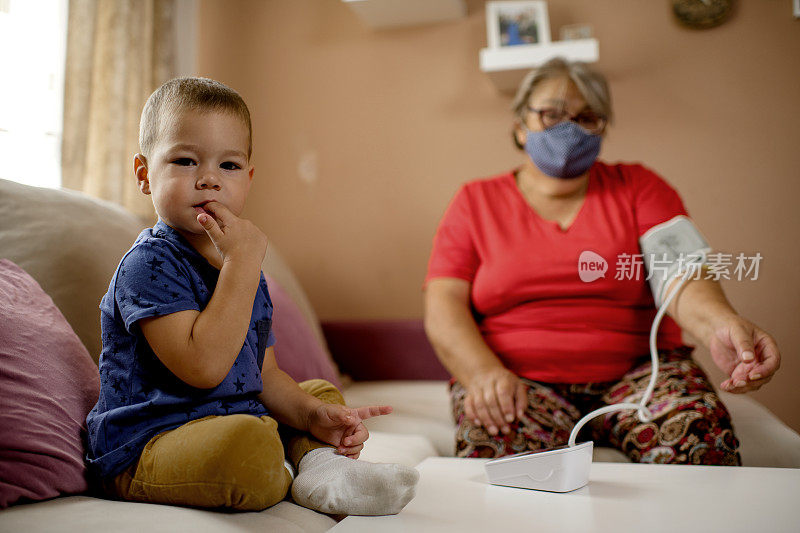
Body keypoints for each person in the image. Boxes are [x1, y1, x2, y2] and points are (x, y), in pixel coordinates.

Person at [423, 57, 781, 465]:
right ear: (520, 125)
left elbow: (681, 271)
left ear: (602, 129)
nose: (569, 129)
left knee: (702, 442)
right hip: (515, 377)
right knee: (501, 467)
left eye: (587, 117)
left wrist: (721, 323)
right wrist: (482, 372)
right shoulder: (474, 201)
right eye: (552, 114)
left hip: (640, 374)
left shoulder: (641, 186)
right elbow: (443, 304)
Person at [85, 77, 419, 514]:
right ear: (145, 175)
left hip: (234, 424)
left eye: (229, 166)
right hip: (149, 444)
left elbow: (264, 374)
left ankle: (320, 467)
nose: (209, 180)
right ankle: (295, 461)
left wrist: (311, 416)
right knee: (251, 445)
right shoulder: (148, 264)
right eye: (185, 161)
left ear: (248, 178)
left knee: (317, 395)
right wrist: (242, 264)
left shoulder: (242, 270)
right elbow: (203, 368)